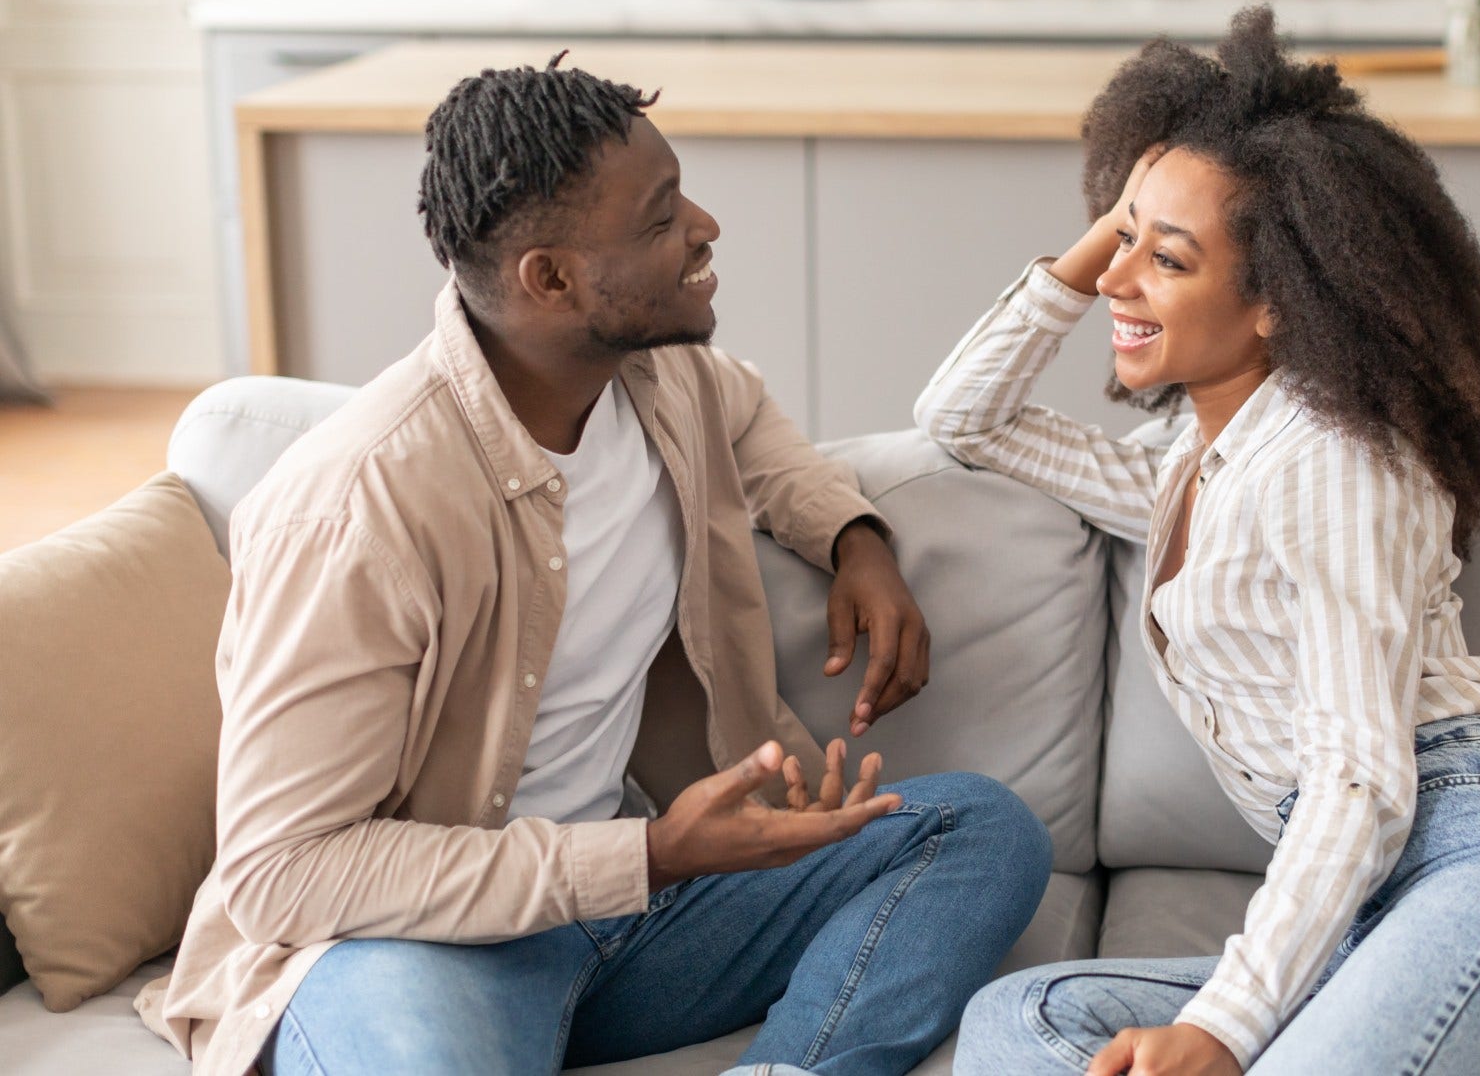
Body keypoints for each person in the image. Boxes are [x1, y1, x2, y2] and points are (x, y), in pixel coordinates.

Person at [134, 54, 1051, 1076]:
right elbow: (281, 874)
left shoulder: (661, 377)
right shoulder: (357, 510)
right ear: (552, 278)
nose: (704, 227)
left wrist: (855, 540)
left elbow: (750, 424)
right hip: (418, 949)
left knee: (979, 829)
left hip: (635, 919)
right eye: (660, 219)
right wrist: (650, 855)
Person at [919, 9, 1480, 1075]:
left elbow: (1358, 775)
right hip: (1364, 914)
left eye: (1166, 260)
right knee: (1018, 1026)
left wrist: (1226, 1024)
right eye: (1124, 242)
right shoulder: (1191, 465)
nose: (1121, 281)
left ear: (1275, 302)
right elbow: (963, 418)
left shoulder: (1337, 459)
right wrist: (1112, 235)